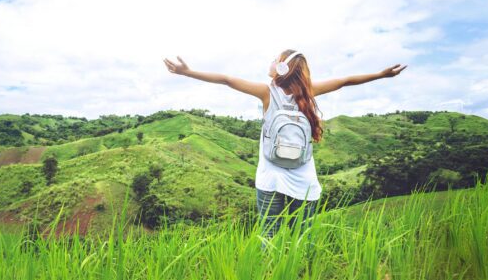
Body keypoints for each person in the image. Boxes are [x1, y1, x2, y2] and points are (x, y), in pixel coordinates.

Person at [163, 50, 406, 259]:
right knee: (303, 236)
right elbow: (344, 81)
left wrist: (188, 72)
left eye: (274, 59)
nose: (270, 62)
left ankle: (272, 271)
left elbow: (226, 79)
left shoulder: (267, 92)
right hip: (304, 181)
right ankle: (301, 270)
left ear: (282, 67)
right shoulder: (309, 92)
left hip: (270, 177)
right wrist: (381, 75)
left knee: (269, 234)